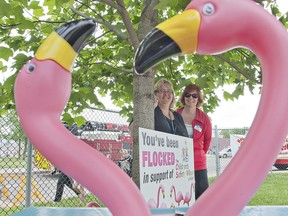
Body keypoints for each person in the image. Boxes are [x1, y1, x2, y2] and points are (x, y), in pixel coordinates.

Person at [177, 84, 212, 200]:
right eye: (187, 95)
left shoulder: (204, 118)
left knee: (201, 197)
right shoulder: (175, 114)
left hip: (198, 164)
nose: (191, 98)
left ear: (198, 99)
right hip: (179, 163)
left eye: (194, 96)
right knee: (182, 196)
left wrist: (197, 153)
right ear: (183, 97)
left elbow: (207, 142)